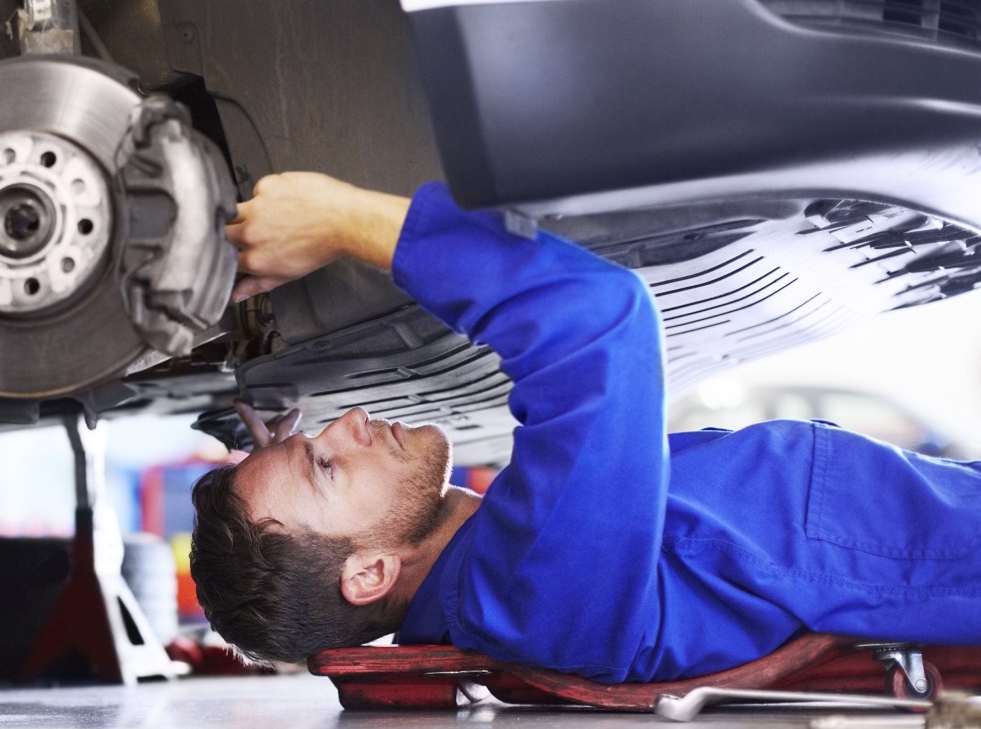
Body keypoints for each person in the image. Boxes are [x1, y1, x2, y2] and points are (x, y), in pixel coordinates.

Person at [190, 172, 981, 683]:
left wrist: (288, 463)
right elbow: (597, 321)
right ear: (367, 576)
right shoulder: (530, 591)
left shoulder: (508, 570)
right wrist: (341, 217)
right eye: (328, 465)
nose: (351, 420)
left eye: (317, 437)